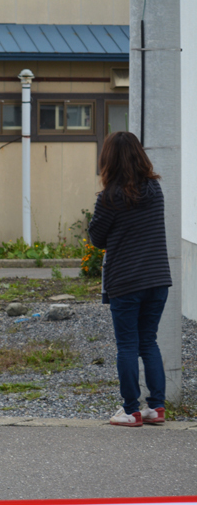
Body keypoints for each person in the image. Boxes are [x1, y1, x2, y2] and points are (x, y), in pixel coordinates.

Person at [87, 131, 172, 427]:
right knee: (149, 341)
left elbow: (97, 239)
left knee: (127, 345)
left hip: (126, 280)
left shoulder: (110, 197)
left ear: (108, 159)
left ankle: (131, 410)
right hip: (158, 279)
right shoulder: (155, 190)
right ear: (139, 155)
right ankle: (156, 408)